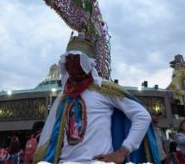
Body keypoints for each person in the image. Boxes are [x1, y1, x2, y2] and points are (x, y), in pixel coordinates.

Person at [33, 36, 161, 163]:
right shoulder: (64, 96)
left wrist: (123, 151)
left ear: (87, 62)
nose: (73, 64)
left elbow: (142, 115)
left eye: (78, 59)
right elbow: (49, 135)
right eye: (69, 59)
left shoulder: (104, 89)